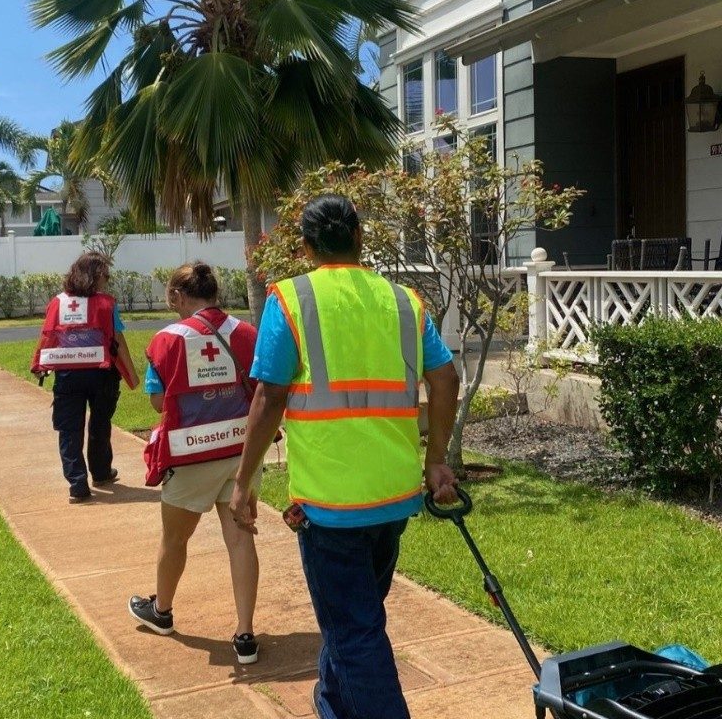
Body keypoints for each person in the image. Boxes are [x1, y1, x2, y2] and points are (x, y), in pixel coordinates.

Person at [230, 195, 460, 718]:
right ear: (360, 238)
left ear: (307, 246)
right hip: (394, 497)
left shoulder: (291, 299)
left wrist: (244, 482)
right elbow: (445, 377)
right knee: (354, 619)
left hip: (330, 504)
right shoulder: (405, 301)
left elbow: (269, 398)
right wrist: (437, 458)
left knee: (354, 632)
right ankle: (331, 706)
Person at [128, 263, 262, 665]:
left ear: (177, 297)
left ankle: (162, 612)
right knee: (240, 537)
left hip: (191, 453)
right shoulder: (248, 333)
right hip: (241, 452)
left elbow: (157, 401)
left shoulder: (167, 340)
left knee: (175, 539)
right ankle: (245, 635)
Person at [31, 252, 140, 504]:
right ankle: (101, 473)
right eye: (105, 275)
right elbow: (118, 340)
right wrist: (132, 375)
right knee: (100, 423)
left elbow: (48, 335)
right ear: (94, 276)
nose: (108, 280)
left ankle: (77, 484)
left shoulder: (57, 302)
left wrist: (38, 362)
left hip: (67, 375)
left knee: (69, 429)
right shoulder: (107, 304)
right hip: (102, 373)